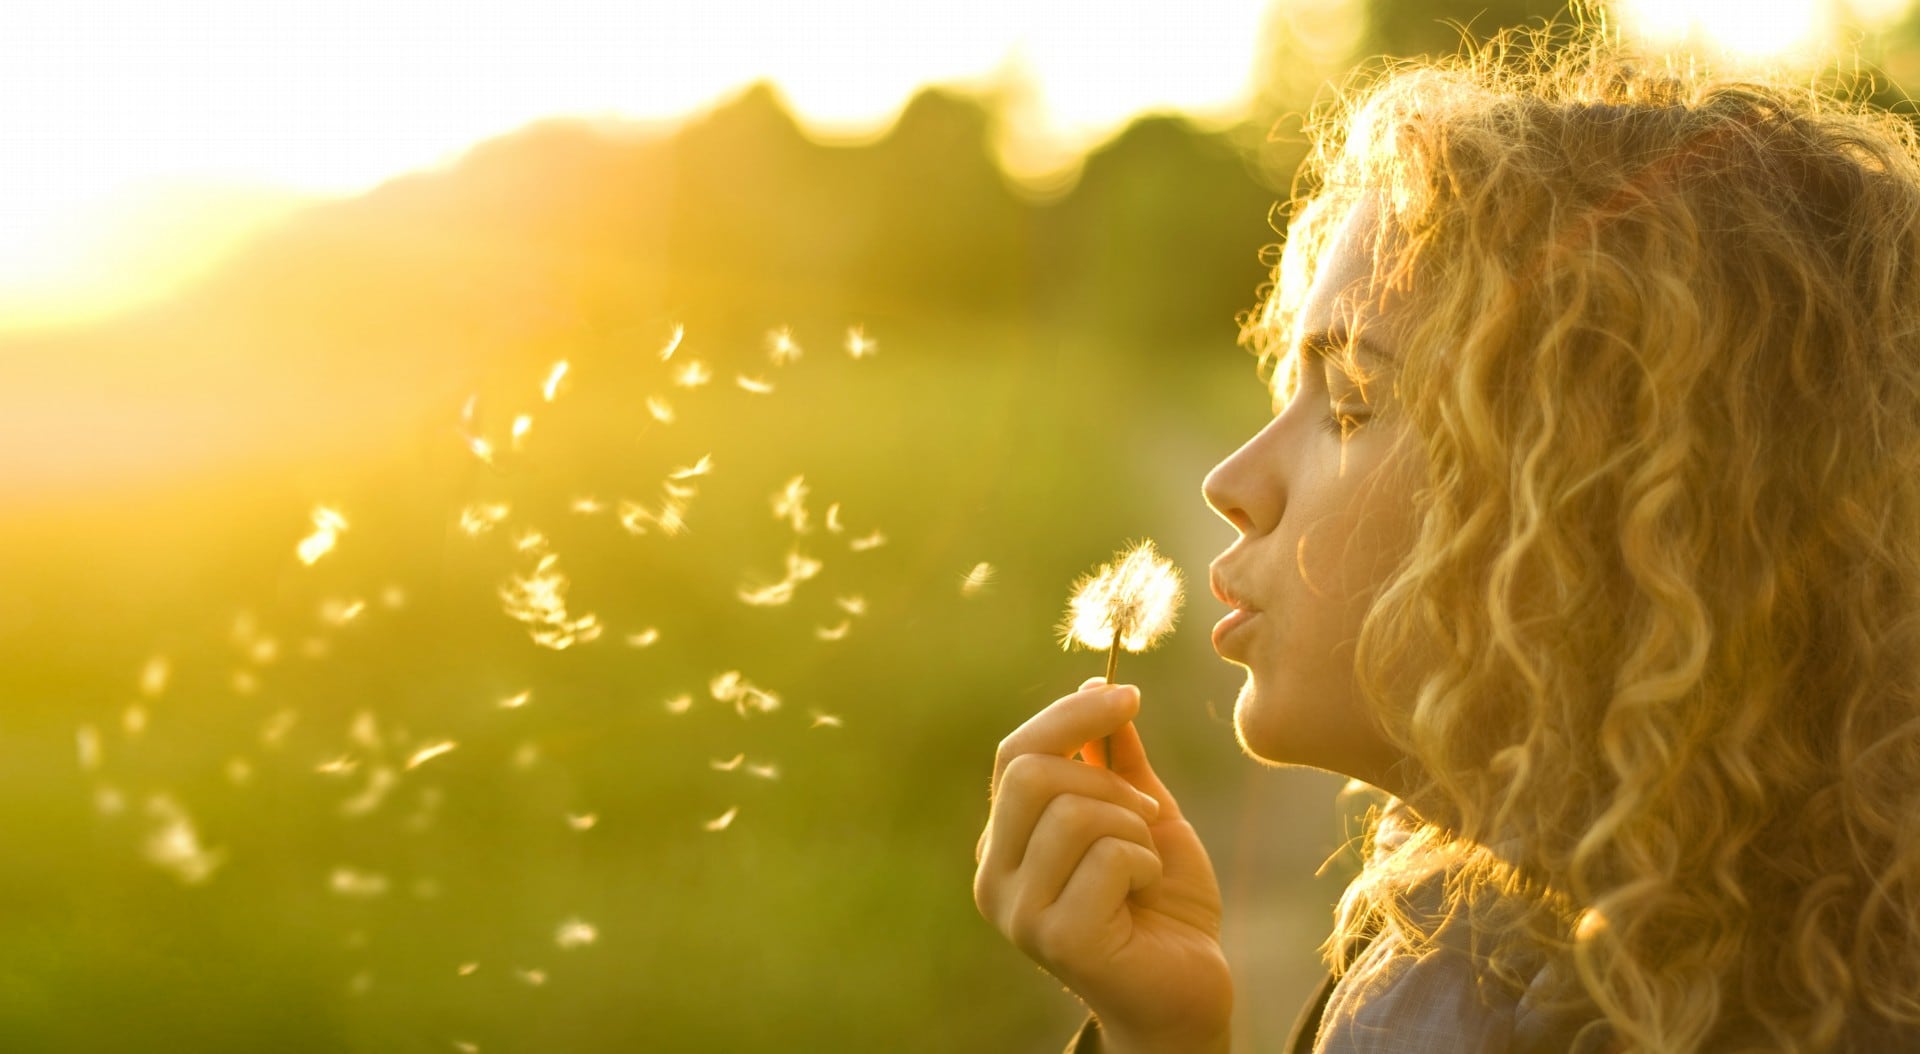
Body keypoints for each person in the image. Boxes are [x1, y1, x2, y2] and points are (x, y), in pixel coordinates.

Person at [973, 19, 1920, 1054]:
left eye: (1352, 404)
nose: (1230, 483)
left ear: (1593, 500)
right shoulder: (1453, 959)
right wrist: (1160, 1028)